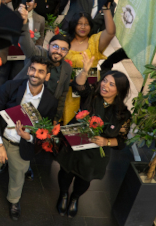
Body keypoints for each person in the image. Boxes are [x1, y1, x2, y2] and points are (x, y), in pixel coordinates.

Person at [0, 56, 58, 221]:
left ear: (47, 76)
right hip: (0, 138)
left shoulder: (50, 101)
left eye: (40, 71)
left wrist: (29, 137)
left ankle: (14, 201)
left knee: (18, 174)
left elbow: (45, 130)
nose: (35, 74)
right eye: (32, 69)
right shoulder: (11, 86)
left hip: (22, 145)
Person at [56, 56, 131, 218]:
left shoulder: (123, 114)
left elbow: (123, 140)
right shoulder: (92, 96)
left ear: (119, 90)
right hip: (74, 145)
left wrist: (106, 141)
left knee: (84, 180)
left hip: (95, 154)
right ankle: (63, 194)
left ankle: (75, 198)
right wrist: (85, 70)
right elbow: (78, 86)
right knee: (65, 172)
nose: (105, 86)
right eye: (105, 81)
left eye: (112, 85)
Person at [60, 4, 116, 125]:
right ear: (74, 24)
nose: (83, 27)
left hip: (89, 85)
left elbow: (111, 32)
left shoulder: (95, 41)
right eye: (80, 23)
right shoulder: (65, 40)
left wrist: (106, 9)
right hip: (67, 85)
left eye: (86, 24)